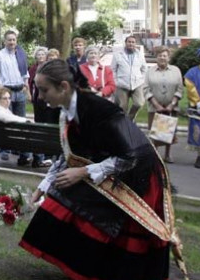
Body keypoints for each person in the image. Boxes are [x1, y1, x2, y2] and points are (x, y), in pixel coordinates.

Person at [20, 59, 185, 280]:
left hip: (138, 174)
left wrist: (82, 173)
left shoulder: (101, 110)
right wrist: (45, 185)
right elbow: (69, 152)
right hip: (111, 167)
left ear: (64, 87)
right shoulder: (66, 110)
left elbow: (131, 155)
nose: (40, 97)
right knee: (63, 200)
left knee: (126, 231)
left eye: (44, 90)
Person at [0, 30, 31, 165]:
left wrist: (26, 87)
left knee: (20, 122)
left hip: (19, 91)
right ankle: (5, 150)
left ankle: (18, 148)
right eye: (9, 40)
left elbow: (25, 73)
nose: (12, 42)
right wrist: (3, 93)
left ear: (16, 40)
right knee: (5, 121)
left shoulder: (20, 54)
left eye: (13, 40)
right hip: (7, 92)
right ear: (5, 41)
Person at [143, 46, 183, 163]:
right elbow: (146, 88)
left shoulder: (176, 70)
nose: (162, 58)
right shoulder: (150, 71)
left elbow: (180, 88)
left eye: (164, 55)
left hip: (171, 107)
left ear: (168, 58)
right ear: (156, 57)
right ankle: (156, 156)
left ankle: (168, 154)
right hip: (154, 107)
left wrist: (172, 104)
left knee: (169, 132)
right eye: (160, 55)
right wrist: (156, 105)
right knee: (155, 132)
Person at [110, 35, 147, 121]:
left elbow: (144, 69)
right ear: (125, 43)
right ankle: (123, 123)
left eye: (133, 42)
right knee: (122, 107)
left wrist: (141, 79)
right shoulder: (118, 55)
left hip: (137, 84)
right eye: (129, 42)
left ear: (135, 44)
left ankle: (130, 119)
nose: (131, 44)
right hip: (122, 84)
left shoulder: (140, 55)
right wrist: (116, 81)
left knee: (139, 103)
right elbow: (113, 69)